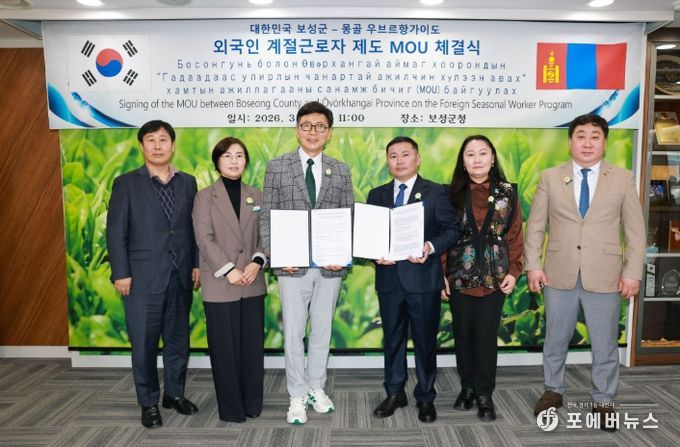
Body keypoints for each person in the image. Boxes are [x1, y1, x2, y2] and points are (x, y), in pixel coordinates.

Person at [524, 113, 645, 431]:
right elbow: (535, 227)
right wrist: (533, 265)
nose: (587, 143)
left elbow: (635, 231)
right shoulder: (550, 177)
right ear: (570, 143)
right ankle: (553, 390)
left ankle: (603, 399)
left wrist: (632, 272)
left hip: (605, 275)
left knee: (605, 342)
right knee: (555, 338)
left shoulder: (622, 178)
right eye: (580, 136)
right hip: (558, 273)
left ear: (605, 142)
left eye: (595, 136)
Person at [259, 101, 354, 425]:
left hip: (329, 268)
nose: (313, 132)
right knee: (294, 332)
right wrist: (276, 256)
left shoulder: (340, 169)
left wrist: (341, 255)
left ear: (329, 133)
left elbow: (348, 216)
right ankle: (296, 394)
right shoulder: (277, 166)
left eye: (320, 126)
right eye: (307, 126)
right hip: (291, 267)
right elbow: (267, 216)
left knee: (322, 331)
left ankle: (316, 387)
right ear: (297, 129)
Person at [106, 120, 200, 429]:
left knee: (178, 341)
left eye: (163, 140)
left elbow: (193, 229)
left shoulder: (188, 182)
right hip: (142, 278)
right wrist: (121, 273)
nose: (157, 146)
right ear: (142, 146)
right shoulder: (126, 183)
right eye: (151, 140)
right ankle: (148, 402)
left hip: (180, 276)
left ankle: (174, 394)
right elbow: (115, 232)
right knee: (144, 344)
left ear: (173, 145)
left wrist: (196, 263)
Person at [368, 136, 461, 423]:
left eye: (405, 155)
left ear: (418, 159)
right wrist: (375, 255)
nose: (399, 161)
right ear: (387, 161)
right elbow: (369, 236)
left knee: (424, 341)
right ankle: (395, 392)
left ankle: (425, 396)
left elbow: (452, 229)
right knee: (392, 340)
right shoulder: (377, 195)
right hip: (389, 280)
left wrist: (430, 247)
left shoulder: (436, 192)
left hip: (423, 281)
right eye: (393, 156)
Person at [441, 135, 523, 421]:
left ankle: (485, 394)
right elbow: (442, 235)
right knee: (463, 336)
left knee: (486, 337)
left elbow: (515, 235)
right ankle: (467, 388)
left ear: (493, 158)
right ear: (463, 161)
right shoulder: (449, 194)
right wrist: (442, 274)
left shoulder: (507, 193)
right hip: (459, 277)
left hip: (495, 277)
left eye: (483, 153)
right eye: (470, 154)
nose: (477, 159)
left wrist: (514, 271)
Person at [192, 137, 267, 423]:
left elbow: (266, 235)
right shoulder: (204, 197)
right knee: (224, 350)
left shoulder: (256, 195)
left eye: (239, 155)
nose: (234, 161)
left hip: (252, 281)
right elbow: (204, 239)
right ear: (217, 162)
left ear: (246, 161)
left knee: (252, 348)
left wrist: (257, 261)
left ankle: (252, 403)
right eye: (227, 156)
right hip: (220, 283)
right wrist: (229, 269)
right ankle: (231, 409)